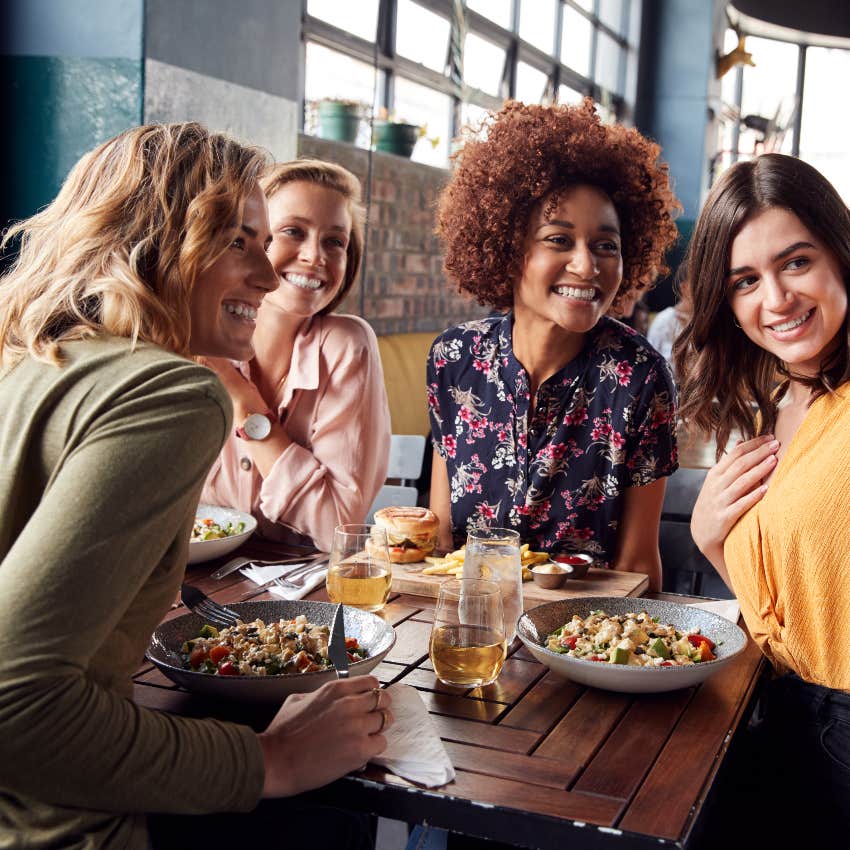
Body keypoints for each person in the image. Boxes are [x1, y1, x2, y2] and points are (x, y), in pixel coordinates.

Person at [0, 124, 392, 850]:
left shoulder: (31, 358)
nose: (273, 275)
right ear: (154, 240)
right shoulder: (171, 392)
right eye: (241, 240)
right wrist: (269, 761)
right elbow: (16, 703)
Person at [428, 100, 680, 590]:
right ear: (508, 246)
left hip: (581, 639)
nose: (587, 266)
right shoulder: (453, 359)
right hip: (468, 629)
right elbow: (441, 539)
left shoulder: (641, 376)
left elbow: (636, 567)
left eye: (606, 245)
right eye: (559, 240)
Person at [673, 153, 850, 840]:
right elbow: (789, 606)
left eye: (797, 262)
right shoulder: (776, 401)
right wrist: (714, 542)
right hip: (773, 716)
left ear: (840, 253)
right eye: (745, 280)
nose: (775, 300)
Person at [201, 159, 390, 553]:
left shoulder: (346, 345)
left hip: (306, 598)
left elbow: (338, 528)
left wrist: (240, 395)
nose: (314, 256)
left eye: (334, 241)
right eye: (293, 232)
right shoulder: (197, 339)